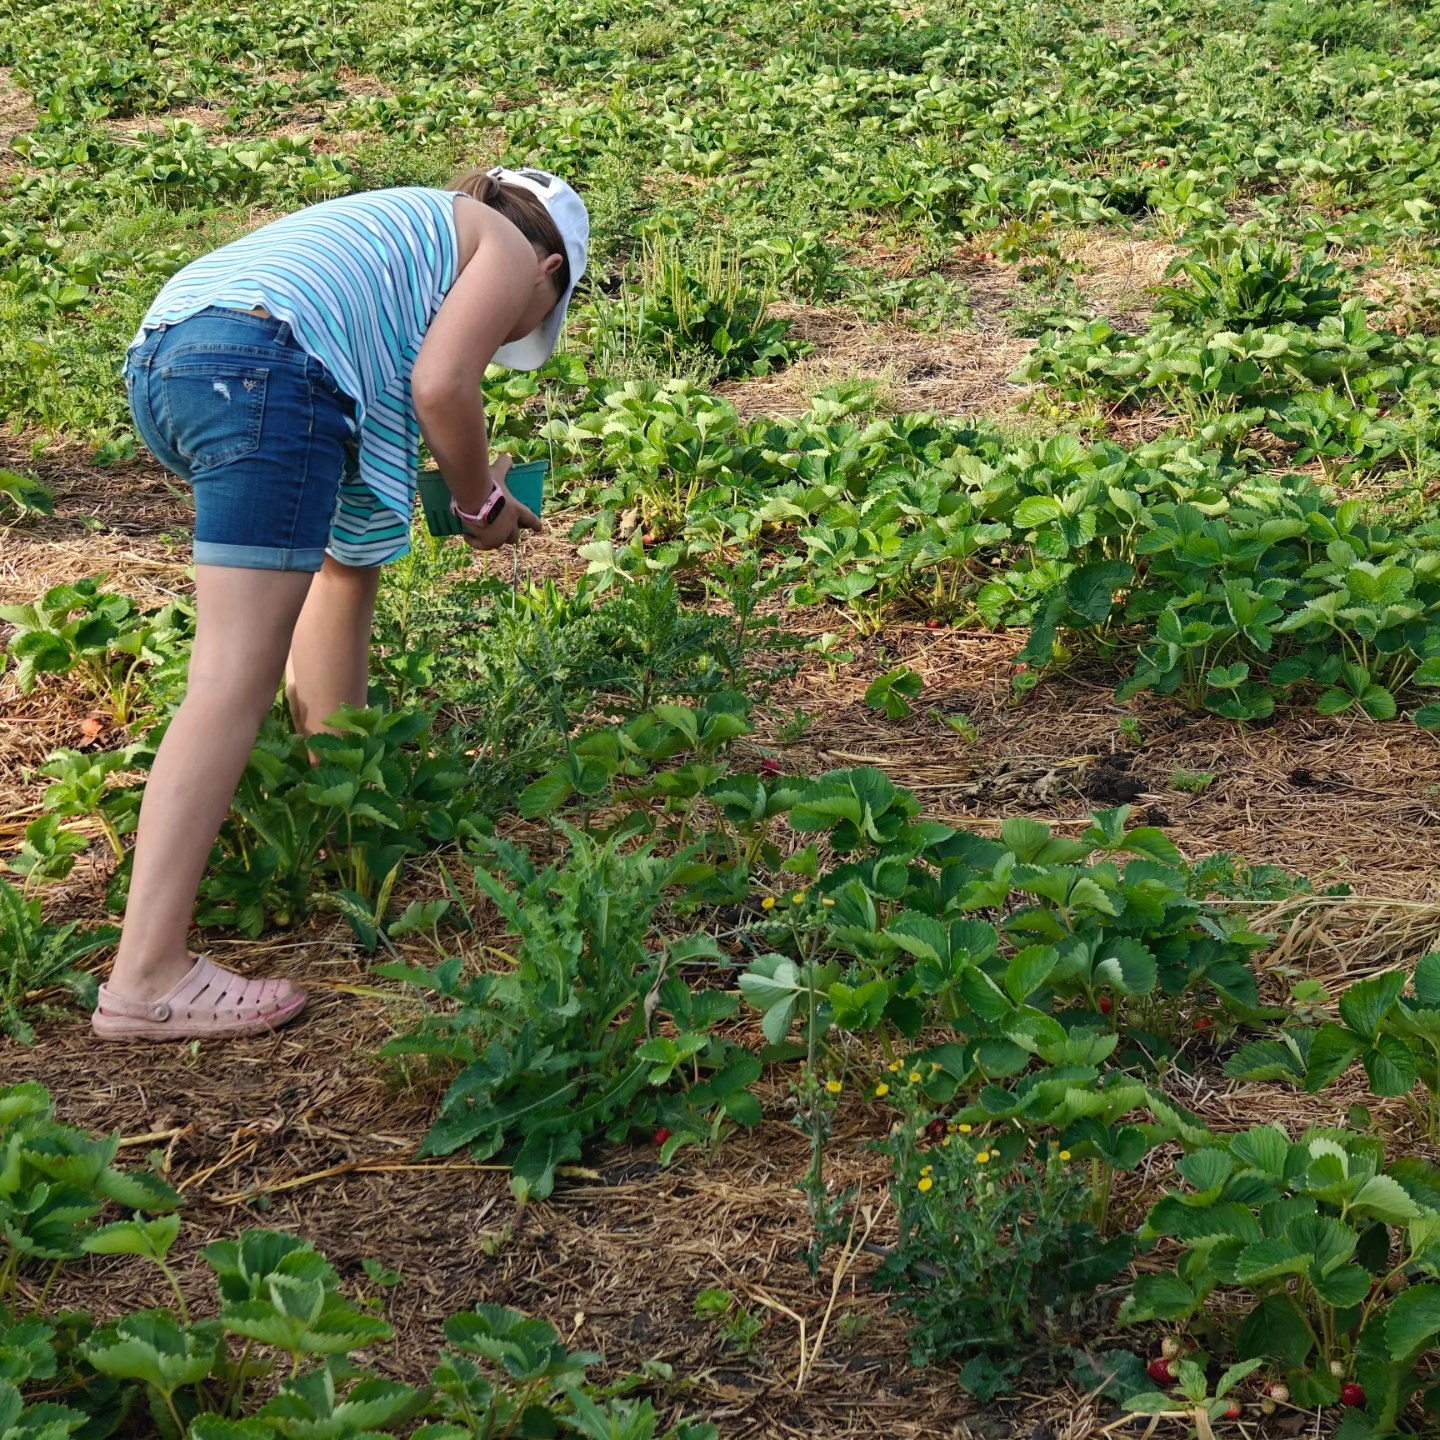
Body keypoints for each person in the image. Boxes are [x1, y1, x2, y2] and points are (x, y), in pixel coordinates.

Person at [91, 167, 589, 1042]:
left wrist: (354, 809)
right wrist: (478, 506)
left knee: (302, 594)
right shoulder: (507, 247)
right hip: (263, 369)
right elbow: (444, 386)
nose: (509, 339)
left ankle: (325, 824)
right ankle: (145, 976)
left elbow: (345, 571)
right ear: (549, 275)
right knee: (229, 680)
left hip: (174, 358)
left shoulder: (389, 271)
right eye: (528, 327)